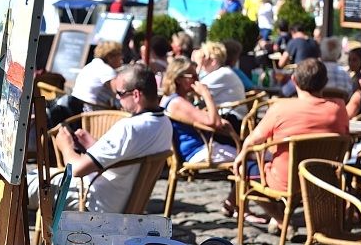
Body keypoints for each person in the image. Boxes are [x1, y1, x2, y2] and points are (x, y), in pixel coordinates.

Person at [33, 63, 173, 212]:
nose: (118, 99)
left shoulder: (129, 128)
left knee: (26, 182)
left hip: (93, 201)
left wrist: (65, 145)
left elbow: (76, 170)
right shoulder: (164, 123)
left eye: (120, 93)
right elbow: (126, 156)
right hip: (123, 202)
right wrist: (94, 145)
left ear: (136, 95)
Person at [233, 57, 349, 221]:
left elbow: (253, 141)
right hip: (323, 179)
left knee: (242, 168)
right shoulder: (338, 108)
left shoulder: (280, 108)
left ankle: (280, 219)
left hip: (285, 180)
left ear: (294, 80)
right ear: (325, 82)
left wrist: (241, 156)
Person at [160, 57, 237, 166]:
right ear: (178, 79)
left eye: (197, 76)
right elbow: (215, 123)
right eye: (193, 76)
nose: (197, 80)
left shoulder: (171, 98)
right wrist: (206, 94)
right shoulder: (177, 102)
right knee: (249, 156)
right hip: (197, 151)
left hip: (199, 149)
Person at [70, 41, 123, 110]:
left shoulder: (91, 65)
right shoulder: (107, 70)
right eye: (119, 54)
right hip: (93, 112)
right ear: (110, 57)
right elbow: (118, 94)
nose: (122, 57)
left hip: (77, 108)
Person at [197, 41, 246, 105]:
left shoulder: (222, 73)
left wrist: (199, 66)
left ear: (213, 61)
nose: (201, 59)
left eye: (204, 57)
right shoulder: (223, 72)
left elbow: (195, 89)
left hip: (228, 114)